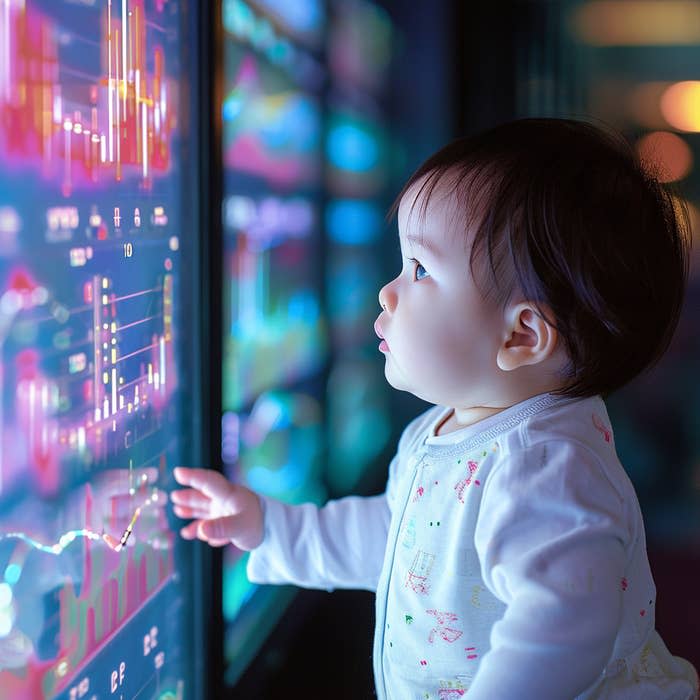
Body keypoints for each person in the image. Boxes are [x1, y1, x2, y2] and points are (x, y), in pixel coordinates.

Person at [171, 118, 699, 699]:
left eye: (420, 270)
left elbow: (560, 631)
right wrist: (271, 529)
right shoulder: (446, 430)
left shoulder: (545, 469)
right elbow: (403, 543)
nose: (387, 291)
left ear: (522, 336)